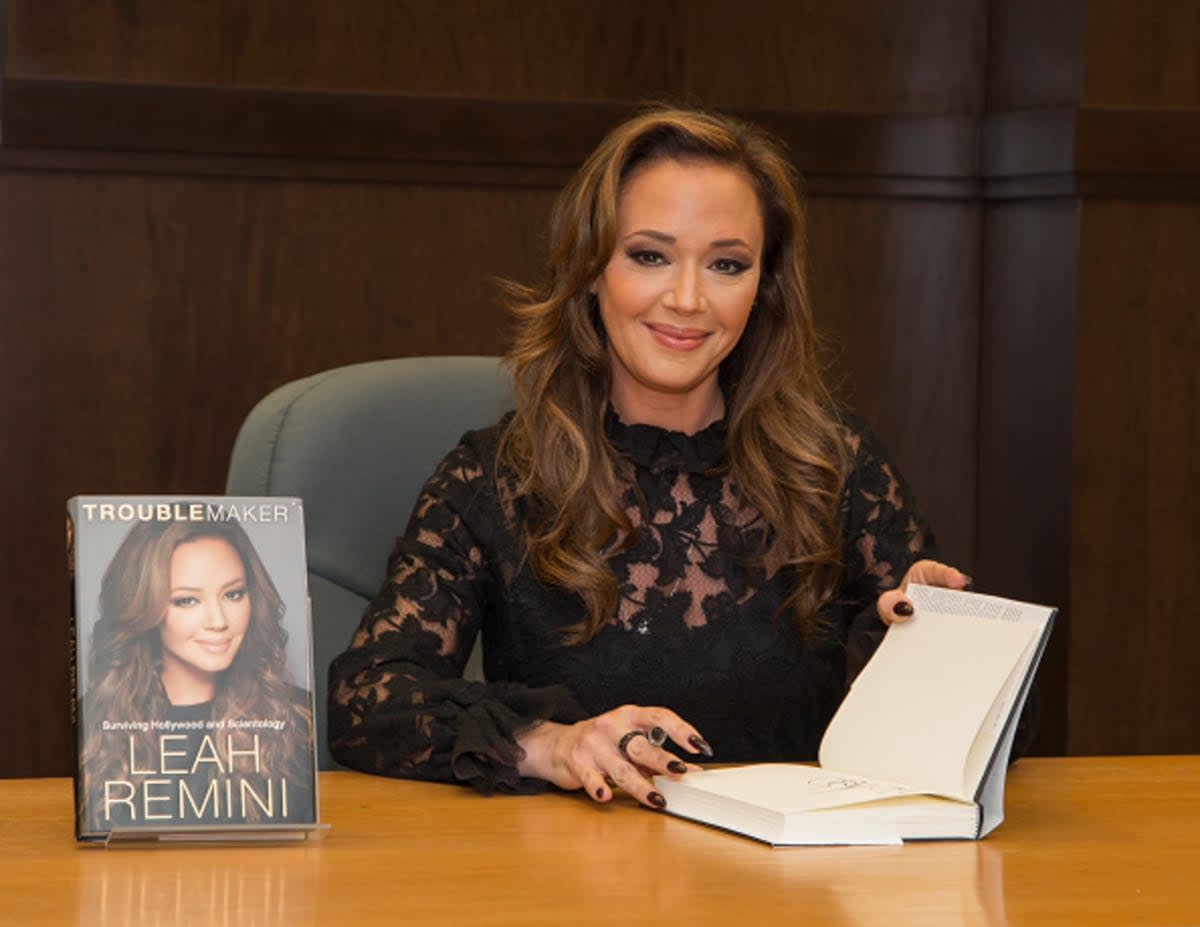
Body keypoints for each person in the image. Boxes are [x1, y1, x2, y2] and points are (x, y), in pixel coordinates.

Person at [327, 106, 968, 810]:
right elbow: (367, 701)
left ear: (764, 289)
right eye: (649, 255)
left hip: (789, 894)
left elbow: (968, 741)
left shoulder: (834, 464)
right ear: (591, 268)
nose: (688, 299)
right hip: (574, 890)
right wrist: (553, 745)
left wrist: (941, 643)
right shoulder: (497, 474)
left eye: (727, 264)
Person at [79, 518, 315, 831]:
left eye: (233, 594)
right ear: (143, 608)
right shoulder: (94, 722)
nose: (218, 621)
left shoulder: (296, 719)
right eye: (187, 600)